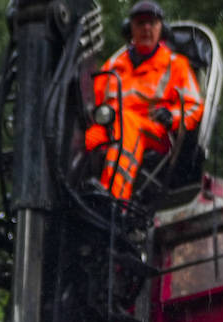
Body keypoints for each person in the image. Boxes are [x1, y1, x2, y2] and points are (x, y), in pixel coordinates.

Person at [84, 1, 204, 202]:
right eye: (140, 23)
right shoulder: (114, 66)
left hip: (154, 133)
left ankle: (113, 202)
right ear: (130, 29)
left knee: (128, 124)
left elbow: (194, 107)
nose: (146, 28)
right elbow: (89, 104)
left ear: (161, 29)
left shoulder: (176, 65)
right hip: (111, 128)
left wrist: (172, 116)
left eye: (151, 23)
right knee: (79, 143)